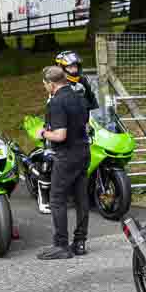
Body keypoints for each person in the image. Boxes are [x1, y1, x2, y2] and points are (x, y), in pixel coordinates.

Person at [36, 66, 91, 260]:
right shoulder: (79, 97)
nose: (45, 88)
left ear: (51, 84)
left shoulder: (57, 102)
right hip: (84, 151)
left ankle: (61, 245)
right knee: (81, 198)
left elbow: (60, 135)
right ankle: (80, 242)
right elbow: (86, 124)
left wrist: (43, 133)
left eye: (44, 85)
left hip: (66, 155)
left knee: (57, 199)